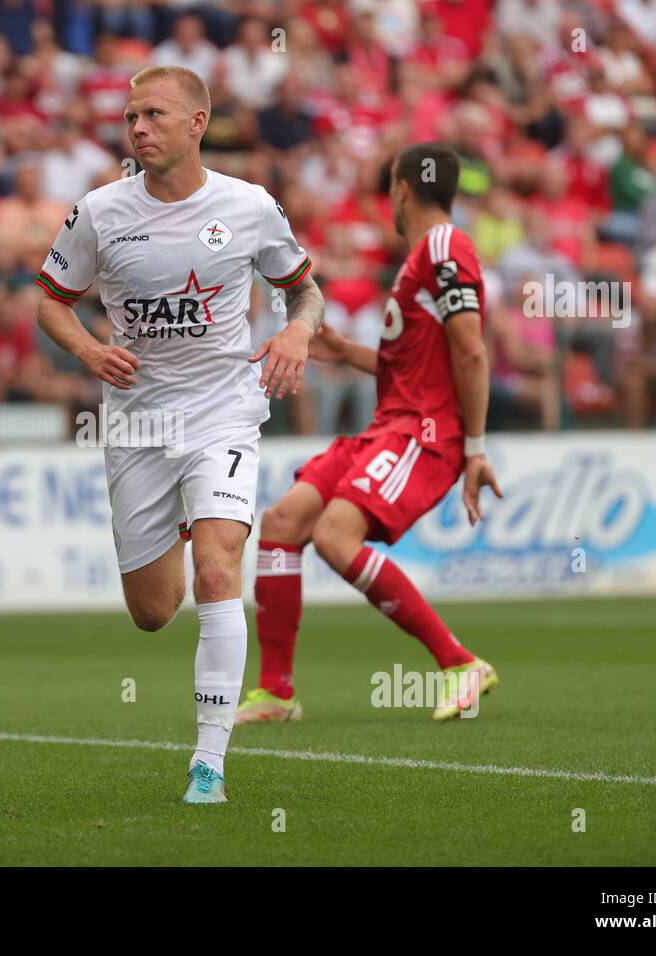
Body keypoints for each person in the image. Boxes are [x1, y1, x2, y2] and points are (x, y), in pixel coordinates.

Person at [34, 66, 322, 804]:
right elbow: (51, 304)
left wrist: (296, 330)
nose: (137, 129)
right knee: (154, 612)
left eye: (153, 116)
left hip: (223, 408)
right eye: (131, 117)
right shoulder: (99, 211)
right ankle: (186, 535)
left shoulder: (249, 206)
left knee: (220, 567)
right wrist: (90, 350)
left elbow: (305, 289)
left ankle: (209, 762)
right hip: (138, 422)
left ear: (198, 123)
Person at [236, 142, 502, 725]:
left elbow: (471, 351)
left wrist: (474, 449)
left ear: (402, 190)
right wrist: (344, 350)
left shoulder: (443, 247)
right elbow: (409, 367)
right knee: (281, 525)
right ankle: (277, 692)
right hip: (389, 427)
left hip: (424, 434)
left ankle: (460, 663)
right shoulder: (419, 261)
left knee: (334, 536)